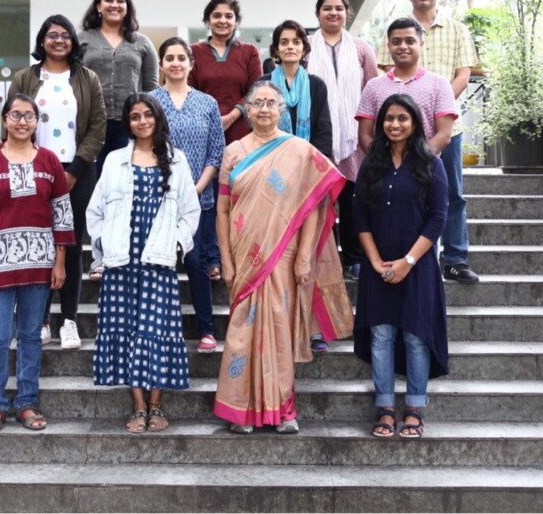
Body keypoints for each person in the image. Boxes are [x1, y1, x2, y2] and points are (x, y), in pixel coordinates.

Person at [213, 81, 354, 434]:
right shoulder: (233, 151)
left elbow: (314, 207)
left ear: (281, 110)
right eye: (257, 103)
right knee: (242, 331)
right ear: (247, 110)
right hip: (244, 254)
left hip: (284, 255)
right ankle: (241, 410)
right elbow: (222, 210)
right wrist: (226, 260)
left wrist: (305, 256)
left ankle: (283, 410)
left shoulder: (300, 151)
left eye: (270, 103)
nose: (264, 109)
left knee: (280, 330)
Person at [0, 93, 76, 433]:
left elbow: (62, 215)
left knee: (30, 336)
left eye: (28, 116)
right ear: (4, 119)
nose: (22, 121)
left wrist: (60, 262)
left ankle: (26, 402)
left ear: (37, 122)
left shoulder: (50, 161)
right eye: (15, 115)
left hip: (39, 263)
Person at [87, 93, 201, 433]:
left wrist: (176, 244)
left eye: (147, 115)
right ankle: (138, 405)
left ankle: (156, 404)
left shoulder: (176, 160)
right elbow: (95, 211)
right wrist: (104, 248)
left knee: (155, 331)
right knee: (126, 332)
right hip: (121, 262)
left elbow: (190, 212)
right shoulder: (114, 160)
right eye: (135, 116)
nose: (142, 121)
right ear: (128, 122)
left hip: (158, 261)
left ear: (158, 117)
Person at [353, 93, 449, 438]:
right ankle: (385, 408)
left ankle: (414, 409)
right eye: (389, 118)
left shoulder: (430, 162)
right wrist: (375, 262)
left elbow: (438, 218)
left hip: (418, 266)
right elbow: (359, 217)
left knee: (415, 336)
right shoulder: (372, 164)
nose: (395, 124)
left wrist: (408, 261)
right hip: (377, 265)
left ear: (415, 123)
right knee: (381, 336)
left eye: (402, 118)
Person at [10, 14, 106, 350]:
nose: (59, 40)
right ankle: (40, 322)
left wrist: (74, 170)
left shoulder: (87, 78)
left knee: (71, 244)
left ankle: (68, 321)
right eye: (53, 35)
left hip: (78, 170)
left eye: (66, 35)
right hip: (33, 169)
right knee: (38, 244)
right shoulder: (24, 77)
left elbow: (98, 126)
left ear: (73, 42)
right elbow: (11, 122)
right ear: (42, 40)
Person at [150, 37, 225, 353]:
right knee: (159, 264)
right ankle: (159, 331)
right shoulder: (150, 102)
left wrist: (196, 189)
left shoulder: (207, 103)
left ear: (191, 64)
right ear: (161, 64)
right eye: (170, 58)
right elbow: (143, 148)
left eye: (182, 58)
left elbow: (216, 152)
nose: (176, 63)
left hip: (199, 198)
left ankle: (206, 330)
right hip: (159, 198)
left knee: (196, 261)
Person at [406, 0, 480, 283]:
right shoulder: (400, 29)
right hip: (406, 131)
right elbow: (388, 71)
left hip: (448, 128)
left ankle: (454, 259)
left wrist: (438, 107)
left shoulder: (457, 30)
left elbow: (464, 75)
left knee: (452, 193)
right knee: (409, 193)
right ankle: (414, 258)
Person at [305, 0, 378, 281]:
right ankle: (324, 260)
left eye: (338, 8)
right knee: (320, 203)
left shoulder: (362, 48)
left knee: (351, 202)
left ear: (348, 13)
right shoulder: (306, 47)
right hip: (316, 138)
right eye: (327, 8)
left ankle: (354, 258)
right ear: (318, 14)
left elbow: (372, 92)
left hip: (353, 139)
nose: (333, 13)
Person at [80, 0, 159, 177]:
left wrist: (144, 119)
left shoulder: (142, 43)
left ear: (127, 7)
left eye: (120, 1)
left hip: (129, 124)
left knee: (124, 177)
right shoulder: (82, 39)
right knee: (92, 178)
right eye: (109, 0)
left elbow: (151, 88)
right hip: (91, 123)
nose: (114, 5)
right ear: (98, 6)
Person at [357, 18, 458, 169]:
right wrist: (384, 164)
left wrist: (415, 163)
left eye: (410, 41)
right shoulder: (373, 86)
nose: (403, 46)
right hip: (382, 171)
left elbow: (444, 135)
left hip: (424, 170)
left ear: (421, 44)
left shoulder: (439, 85)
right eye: (396, 42)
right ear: (389, 46)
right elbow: (364, 135)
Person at [189, 0, 262, 145]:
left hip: (241, 129)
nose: (222, 21)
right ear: (207, 20)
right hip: (202, 127)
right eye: (216, 16)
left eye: (229, 16)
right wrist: (212, 119)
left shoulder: (250, 52)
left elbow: (256, 91)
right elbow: (188, 91)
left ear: (236, 22)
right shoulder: (192, 52)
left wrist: (231, 117)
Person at [257, 19, 333, 160]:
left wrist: (312, 163)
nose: (290, 47)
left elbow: (323, 133)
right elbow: (256, 127)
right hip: (270, 160)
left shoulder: (316, 85)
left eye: (296, 42)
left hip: (309, 162)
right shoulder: (263, 84)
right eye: (284, 42)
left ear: (304, 49)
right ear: (276, 50)